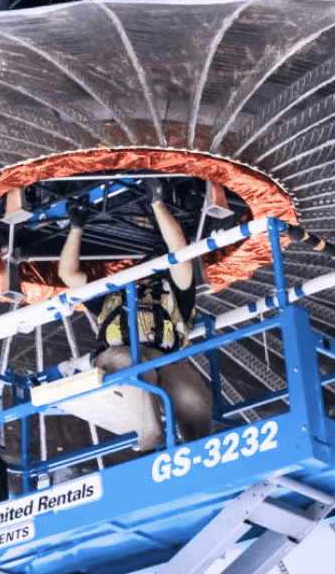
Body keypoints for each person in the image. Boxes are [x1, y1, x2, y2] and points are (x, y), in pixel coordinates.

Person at [55, 180, 219, 451]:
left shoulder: (175, 292)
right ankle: (152, 443)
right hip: (117, 354)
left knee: (193, 397)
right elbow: (68, 275)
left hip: (167, 358)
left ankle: (199, 449)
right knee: (136, 366)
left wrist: (157, 203)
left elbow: (181, 254)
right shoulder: (112, 297)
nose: (145, 274)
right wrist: (76, 227)